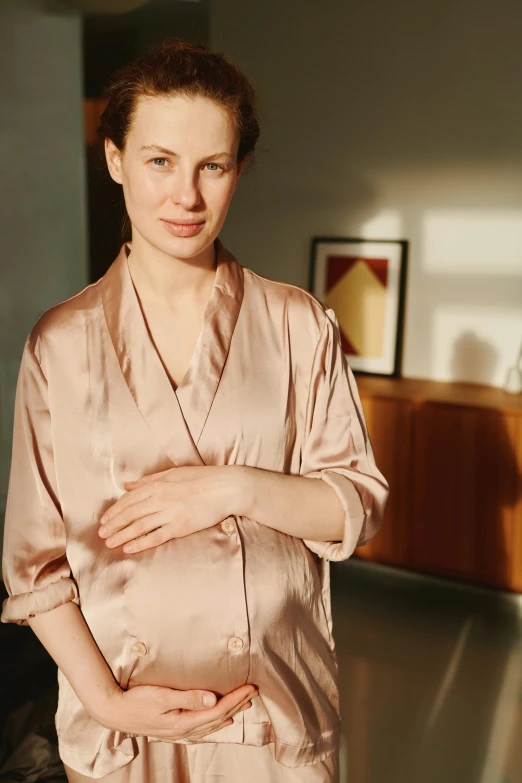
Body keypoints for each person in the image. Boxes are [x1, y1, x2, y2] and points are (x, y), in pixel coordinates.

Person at [1, 39, 388, 782]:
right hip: (122, 732)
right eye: (159, 161)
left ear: (238, 169)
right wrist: (107, 702)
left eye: (212, 166)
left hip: (274, 721)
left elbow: (357, 506)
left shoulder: (297, 323)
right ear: (114, 157)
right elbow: (35, 564)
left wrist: (234, 487)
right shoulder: (59, 342)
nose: (186, 196)